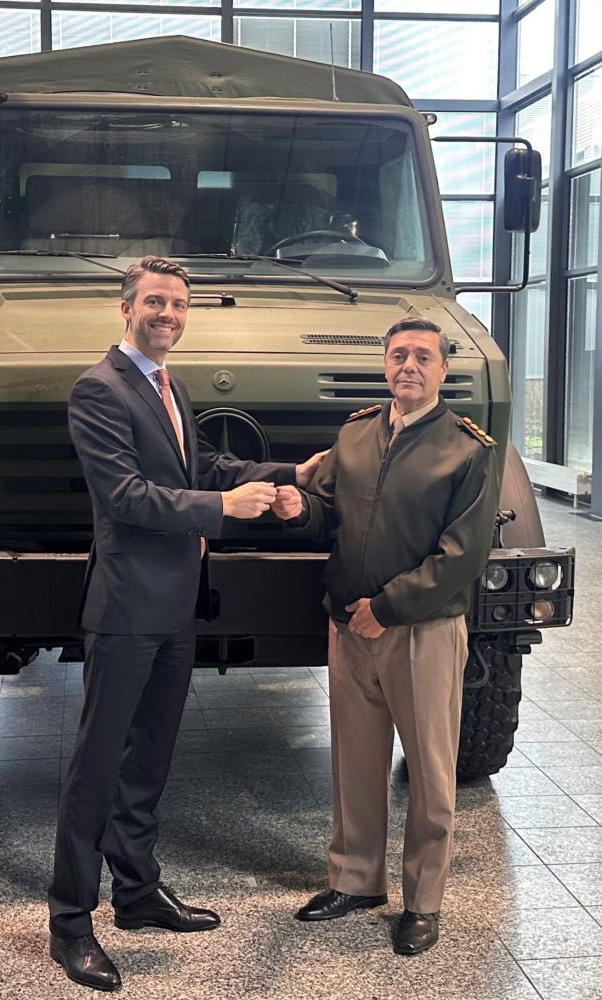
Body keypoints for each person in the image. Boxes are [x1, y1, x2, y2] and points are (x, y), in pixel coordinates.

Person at [49, 255, 326, 992]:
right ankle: (70, 923)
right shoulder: (98, 390)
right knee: (96, 769)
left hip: (175, 606)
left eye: (177, 303)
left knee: (148, 762)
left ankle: (137, 894)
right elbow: (128, 496)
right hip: (126, 608)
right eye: (155, 303)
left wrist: (285, 478)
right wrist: (222, 511)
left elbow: (205, 465)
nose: (167, 314)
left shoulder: (171, 388)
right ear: (126, 309)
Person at [275, 317, 501, 956]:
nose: (409, 365)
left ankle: (423, 902)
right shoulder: (354, 436)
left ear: (443, 369)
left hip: (421, 631)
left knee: (430, 770)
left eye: (422, 357)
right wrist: (300, 510)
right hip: (349, 627)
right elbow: (331, 516)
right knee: (355, 757)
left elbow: (462, 553)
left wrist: (390, 607)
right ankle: (356, 879)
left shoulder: (467, 449)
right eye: (399, 354)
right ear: (385, 364)